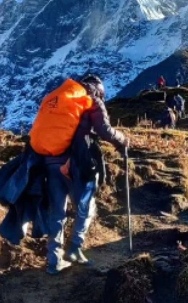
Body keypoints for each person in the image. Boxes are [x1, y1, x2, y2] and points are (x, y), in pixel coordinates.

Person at [29, 74, 128, 275]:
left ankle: (54, 260)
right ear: (99, 89)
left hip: (50, 160)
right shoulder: (91, 99)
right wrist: (123, 140)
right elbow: (104, 130)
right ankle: (75, 248)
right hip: (76, 162)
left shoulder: (60, 97)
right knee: (86, 205)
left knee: (57, 211)